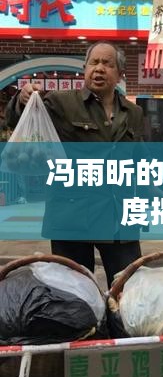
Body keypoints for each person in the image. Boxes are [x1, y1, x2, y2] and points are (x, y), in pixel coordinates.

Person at [7, 41, 145, 287]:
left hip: (119, 218)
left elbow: (138, 160)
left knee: (129, 290)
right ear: (85, 69)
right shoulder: (60, 103)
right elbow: (19, 118)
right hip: (72, 216)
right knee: (73, 293)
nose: (99, 68)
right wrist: (22, 98)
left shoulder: (134, 113)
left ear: (119, 74)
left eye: (107, 63)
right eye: (94, 63)